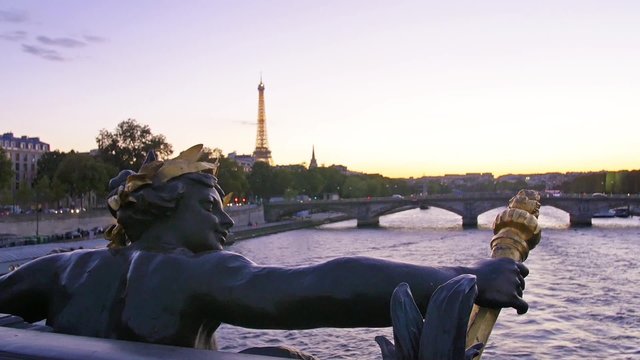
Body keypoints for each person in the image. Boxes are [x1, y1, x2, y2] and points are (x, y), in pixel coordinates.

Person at [0, 145, 528, 351]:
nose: (227, 218)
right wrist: (464, 279)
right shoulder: (188, 274)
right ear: (169, 208)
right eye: (213, 205)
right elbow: (320, 286)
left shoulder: (64, 269)